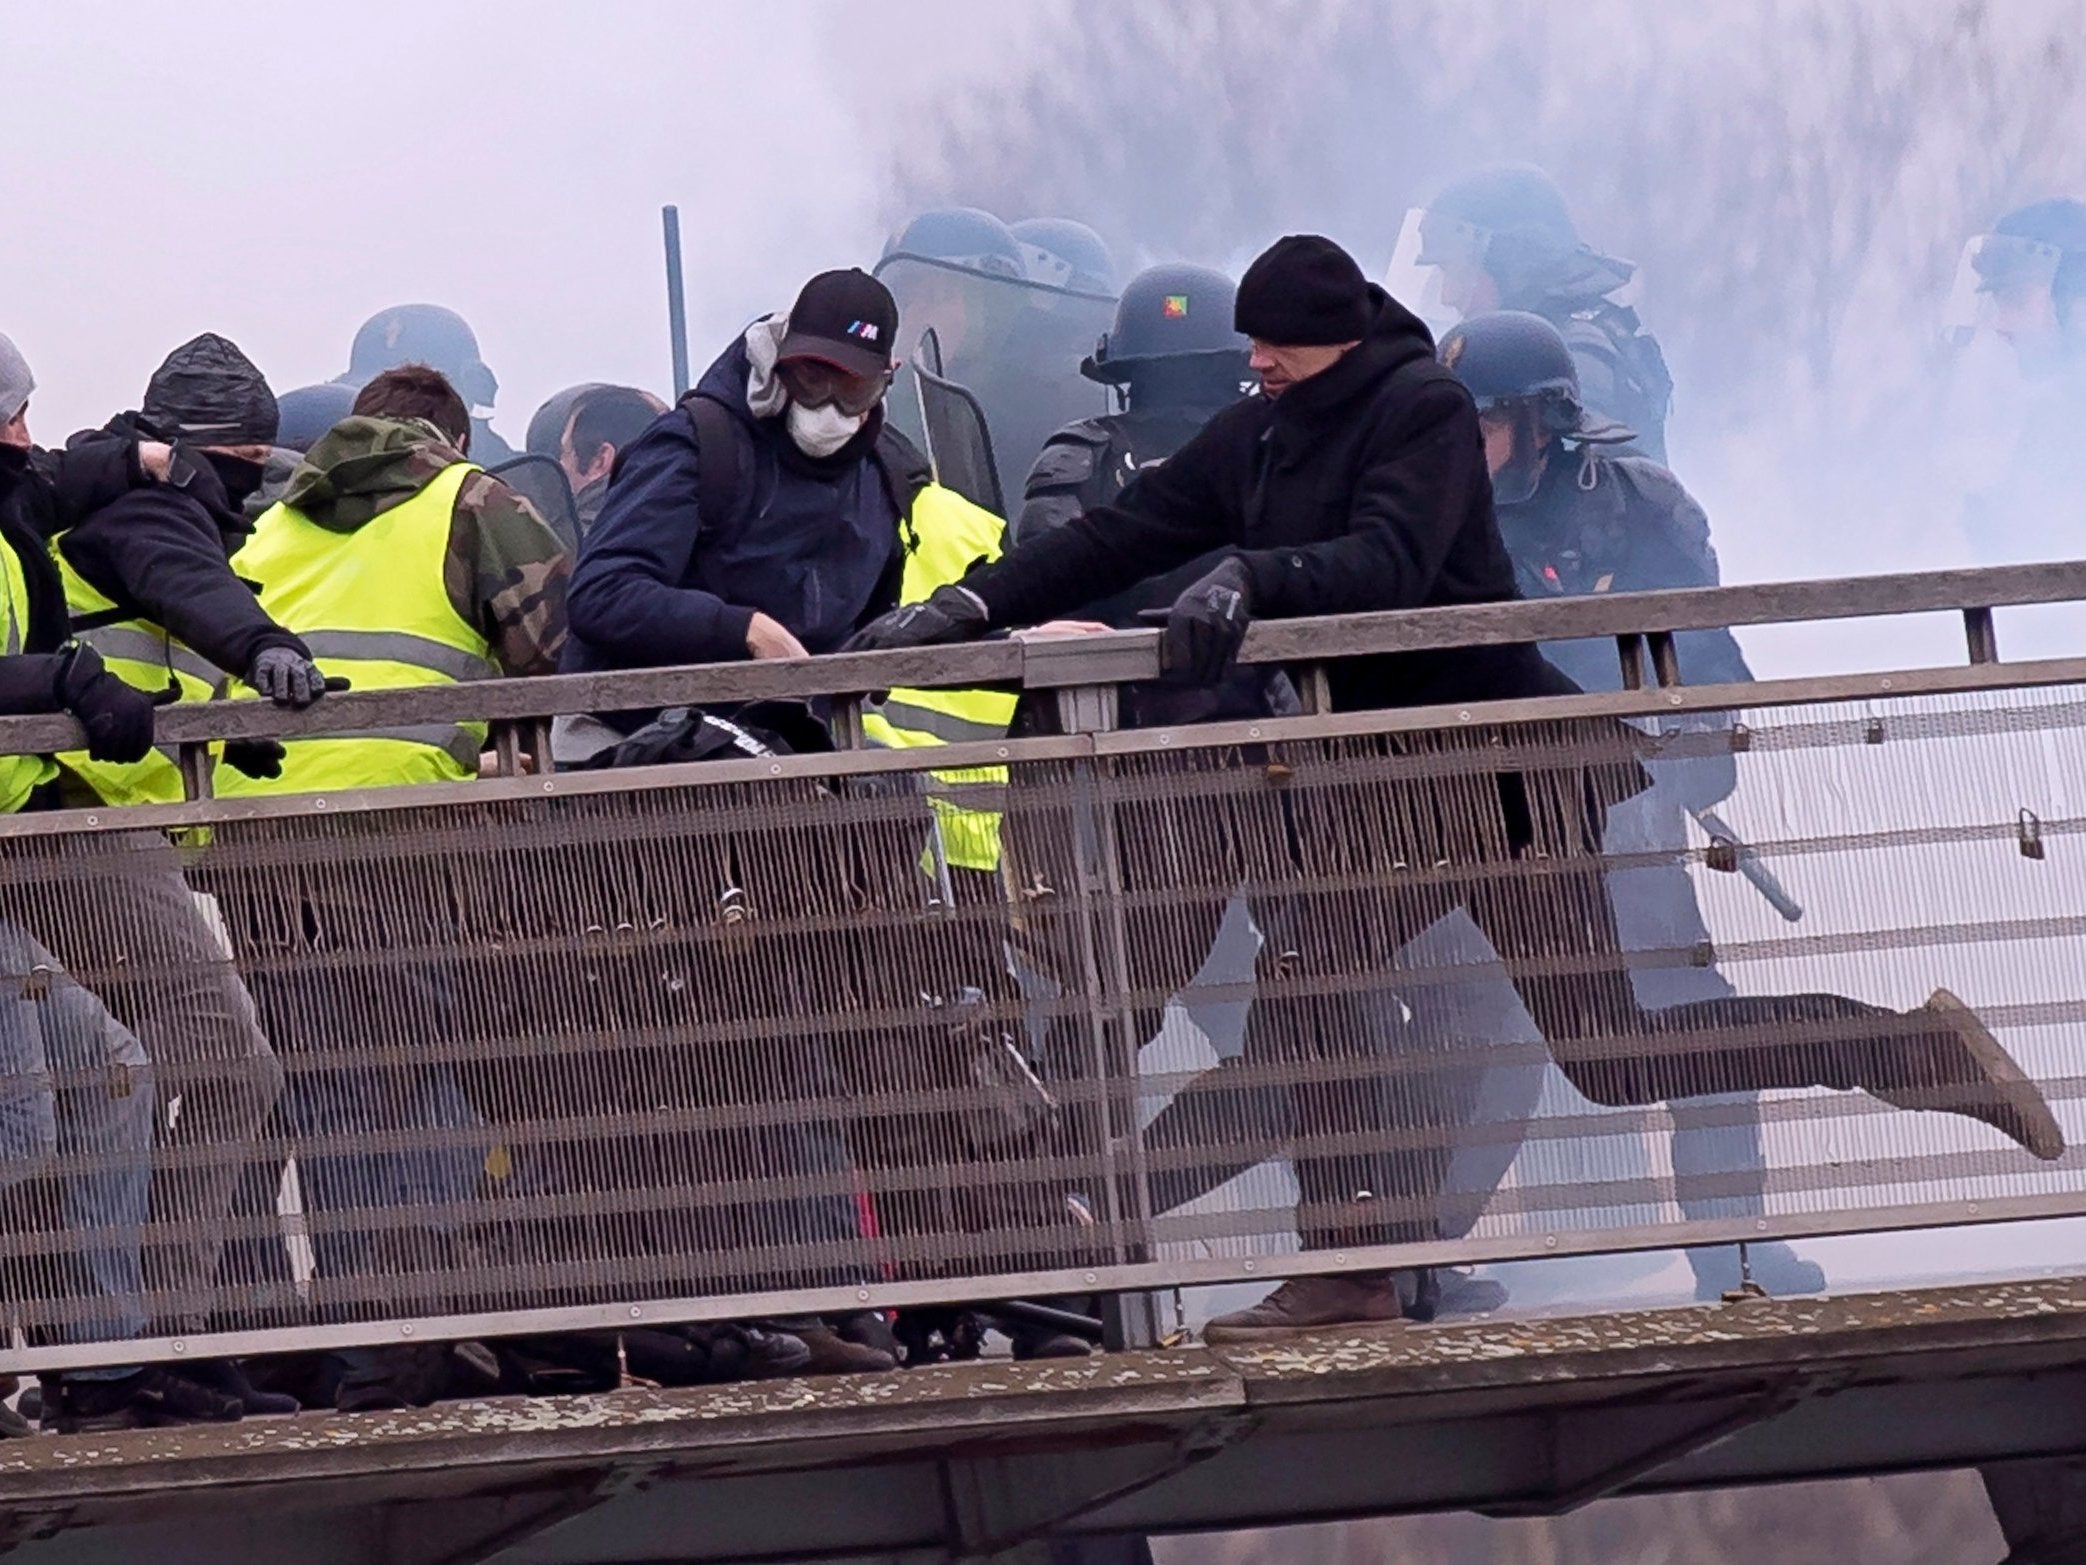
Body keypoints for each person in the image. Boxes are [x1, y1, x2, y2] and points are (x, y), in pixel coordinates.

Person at [847, 233, 2064, 1340]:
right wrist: (965, 605)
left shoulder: (1417, 411)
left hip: (1498, 775)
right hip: (1389, 789)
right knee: (1340, 983)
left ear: (1336, 339)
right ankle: (1352, 1271)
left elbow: (1391, 560)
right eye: (1253, 344)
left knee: (1603, 1048)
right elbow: (1122, 532)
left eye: (1278, 345)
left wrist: (1247, 579)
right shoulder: (1262, 433)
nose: (1257, 362)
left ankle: (1894, 1051)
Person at [1435, 309, 1824, 1301]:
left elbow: (1706, 654)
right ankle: (1407, 1264)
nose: (1457, 447)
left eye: (1476, 425)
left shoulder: (1636, 504)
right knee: (1490, 1039)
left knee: (1697, 1020)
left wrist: (1678, 769)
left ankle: (1735, 1251)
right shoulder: (1424, 509)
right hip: (1478, 816)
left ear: (1536, 422)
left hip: (1617, 808)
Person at [210, 364, 569, 1410]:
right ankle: (387, 1352)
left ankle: (310, 1342)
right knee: (405, 1086)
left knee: (311, 1086)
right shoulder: (473, 500)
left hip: (254, 842)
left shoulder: (272, 523)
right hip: (402, 843)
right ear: (448, 439)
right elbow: (555, 652)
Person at [0, 333, 263, 1430]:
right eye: (9, 414)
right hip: (56, 829)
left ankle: (107, 1365)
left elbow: (75, 467)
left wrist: (153, 460)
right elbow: (170, 565)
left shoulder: (16, 499)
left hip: (21, 825)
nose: (22, 434)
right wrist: (65, 676)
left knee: (108, 1074)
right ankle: (109, 1344)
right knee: (23, 1129)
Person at [1400, 164, 1675, 462]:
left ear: (1511, 267)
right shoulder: (1535, 353)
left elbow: (1565, 499)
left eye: (1453, 272)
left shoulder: (1575, 362)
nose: (1448, 295)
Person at [1947, 199, 2086, 562]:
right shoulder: (2054, 424)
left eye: (2018, 299)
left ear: (2076, 302)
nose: (2001, 324)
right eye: (1999, 302)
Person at [335, 304, 516, 465]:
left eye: (421, 404)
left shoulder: (521, 479)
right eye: (378, 403)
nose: (396, 428)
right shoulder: (334, 473)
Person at [557, 384, 666, 534]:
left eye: (565, 453)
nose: (561, 465)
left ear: (600, 460)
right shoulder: (686, 519)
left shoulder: (580, 541)